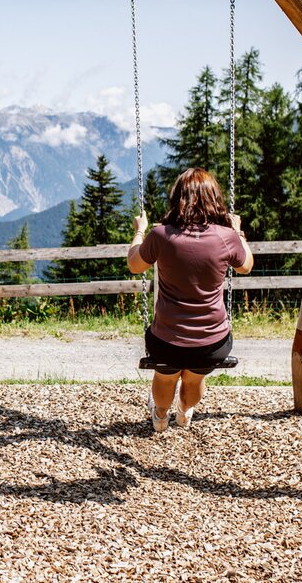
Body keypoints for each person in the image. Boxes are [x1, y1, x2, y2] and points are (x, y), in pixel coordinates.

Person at [126, 167, 254, 432]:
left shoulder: (161, 235)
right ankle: (184, 411)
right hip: (212, 342)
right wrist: (239, 232)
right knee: (194, 380)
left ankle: (161, 415)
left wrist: (140, 231)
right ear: (214, 199)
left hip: (167, 340)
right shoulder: (226, 237)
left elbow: (134, 265)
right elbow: (246, 266)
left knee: (165, 378)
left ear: (178, 198)